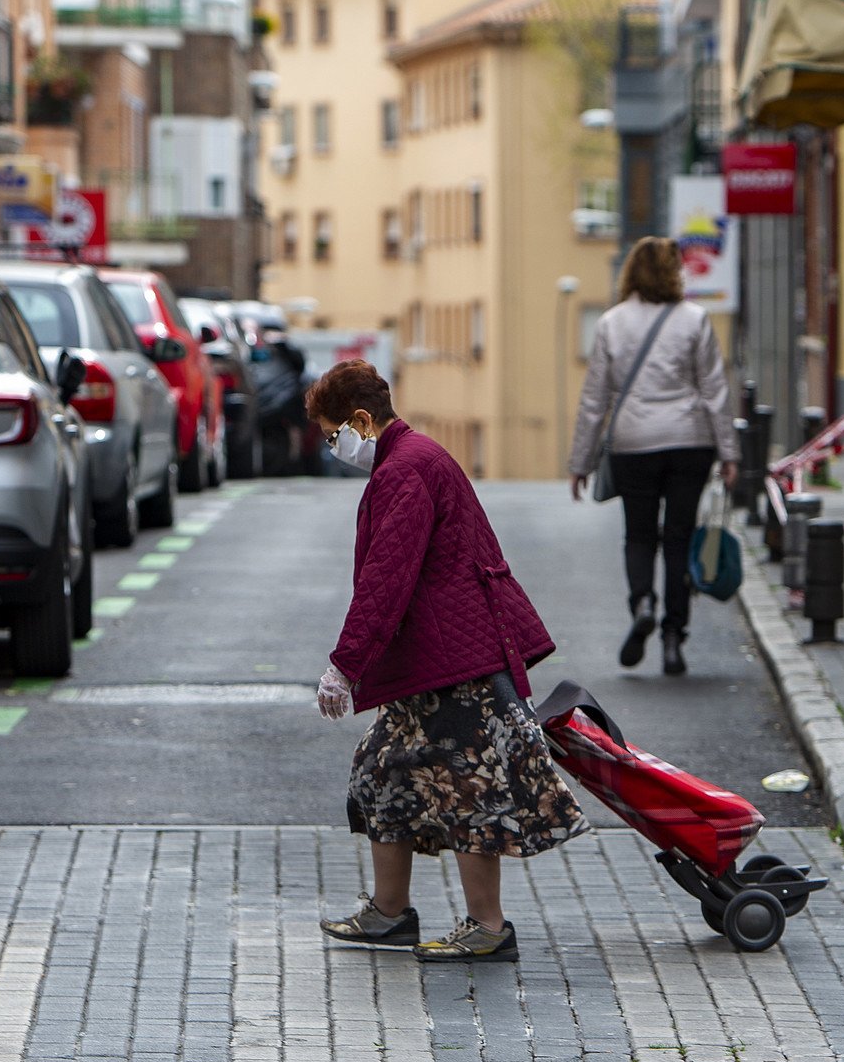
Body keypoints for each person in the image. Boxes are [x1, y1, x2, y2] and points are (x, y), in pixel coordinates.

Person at [309, 361, 588, 963]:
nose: (335, 447)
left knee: (467, 789)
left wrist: (345, 666)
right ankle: (389, 915)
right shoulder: (410, 461)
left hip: (453, 659)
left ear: (362, 420)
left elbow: (386, 581)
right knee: (381, 772)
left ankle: (487, 927)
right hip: (438, 654)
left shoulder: (405, 470)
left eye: (335, 434)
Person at [566, 236, 737, 677]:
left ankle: (643, 600)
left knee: (639, 535)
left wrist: (581, 462)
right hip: (689, 441)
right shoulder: (696, 320)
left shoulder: (611, 323)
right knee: (679, 538)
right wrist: (730, 452)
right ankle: (674, 637)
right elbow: (714, 390)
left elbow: (594, 400)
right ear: (674, 272)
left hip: (634, 443)